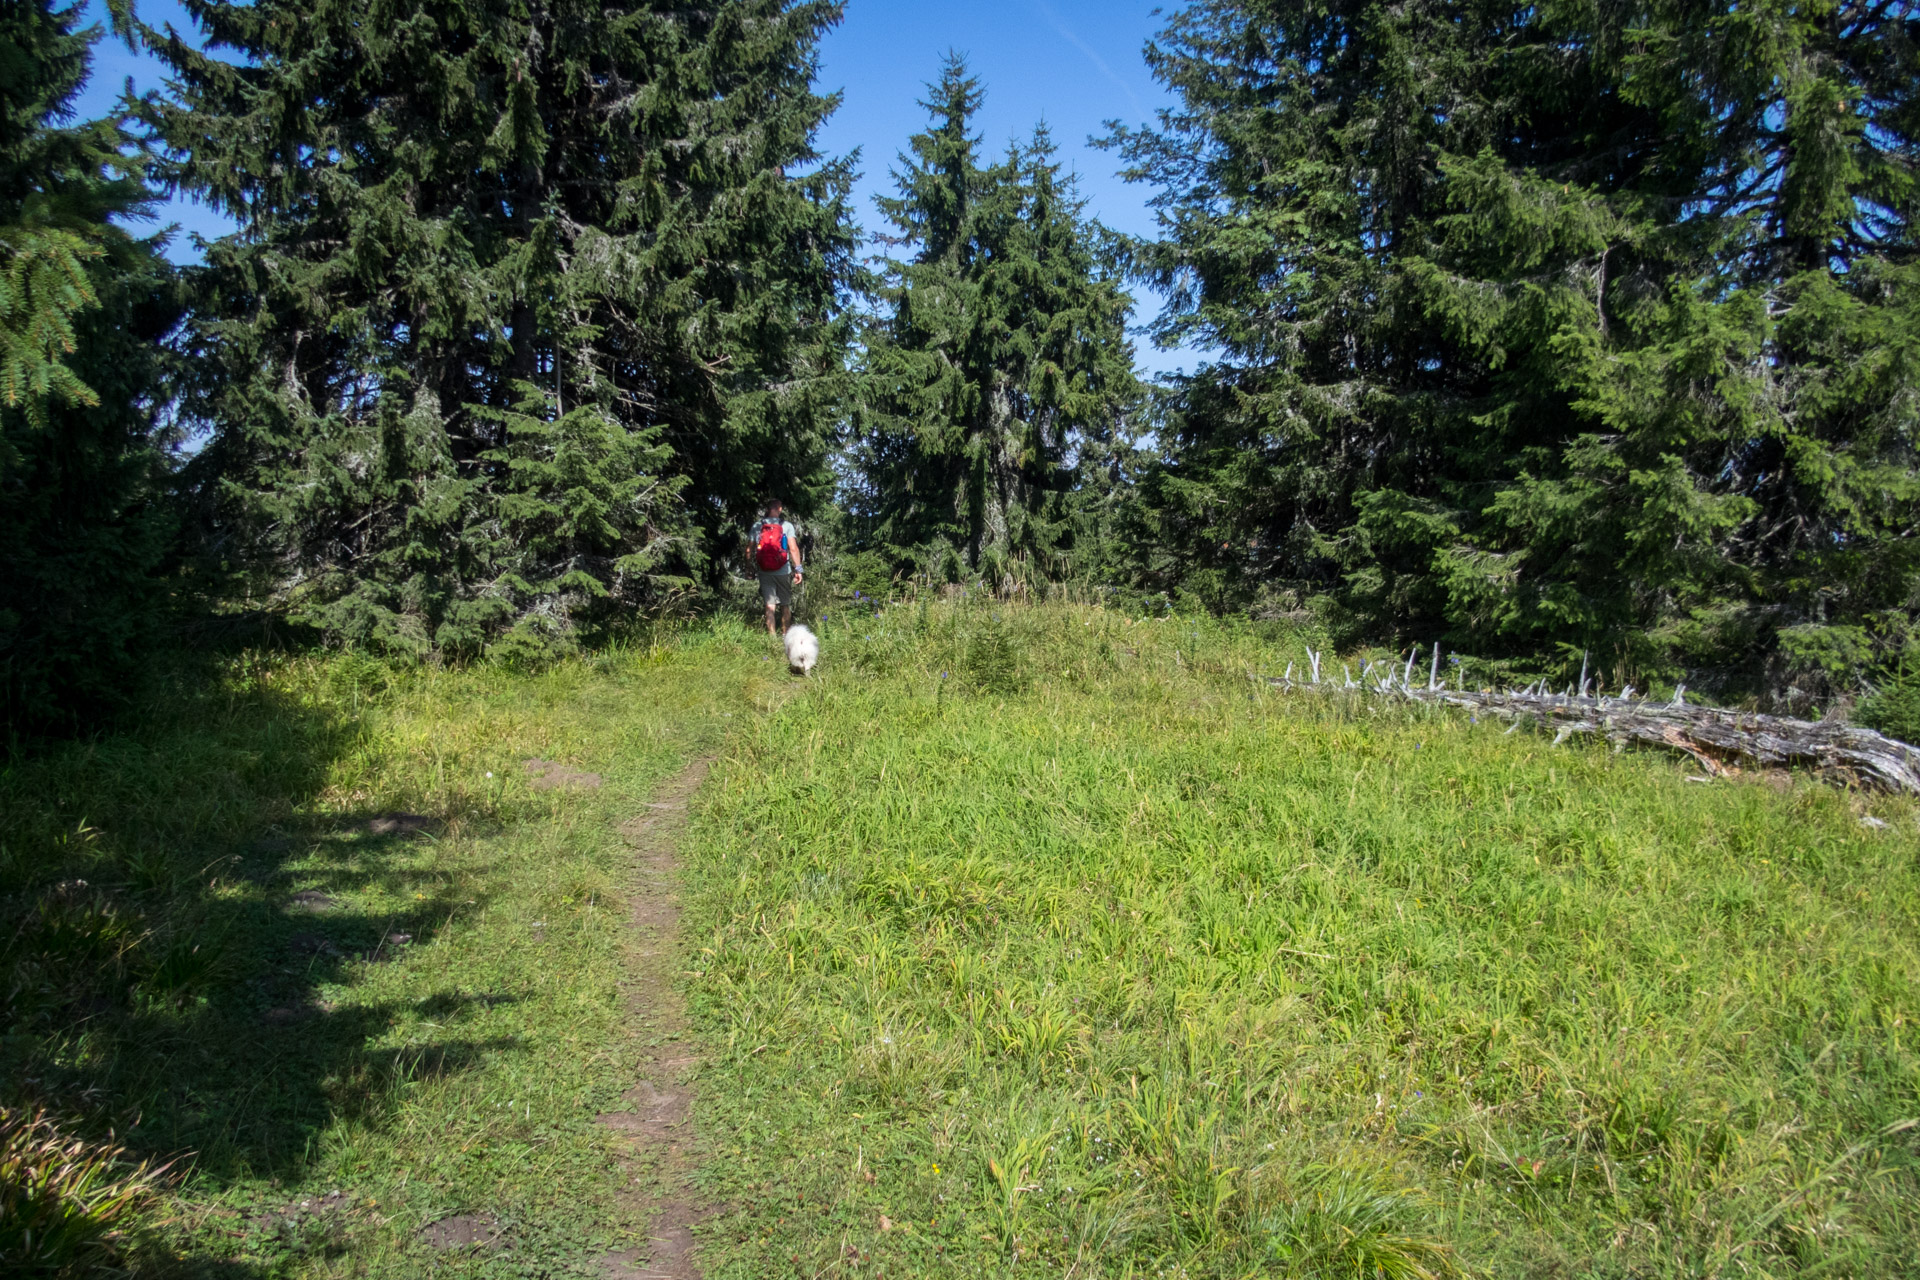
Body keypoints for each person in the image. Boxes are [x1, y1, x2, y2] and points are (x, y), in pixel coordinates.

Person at [746, 498, 804, 636]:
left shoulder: (757, 526)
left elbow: (749, 549)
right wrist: (798, 570)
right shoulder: (787, 526)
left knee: (769, 605)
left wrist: (749, 568)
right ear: (780, 509)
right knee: (785, 604)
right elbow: (794, 549)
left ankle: (771, 639)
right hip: (783, 570)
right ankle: (786, 636)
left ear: (767, 509)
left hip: (764, 570)